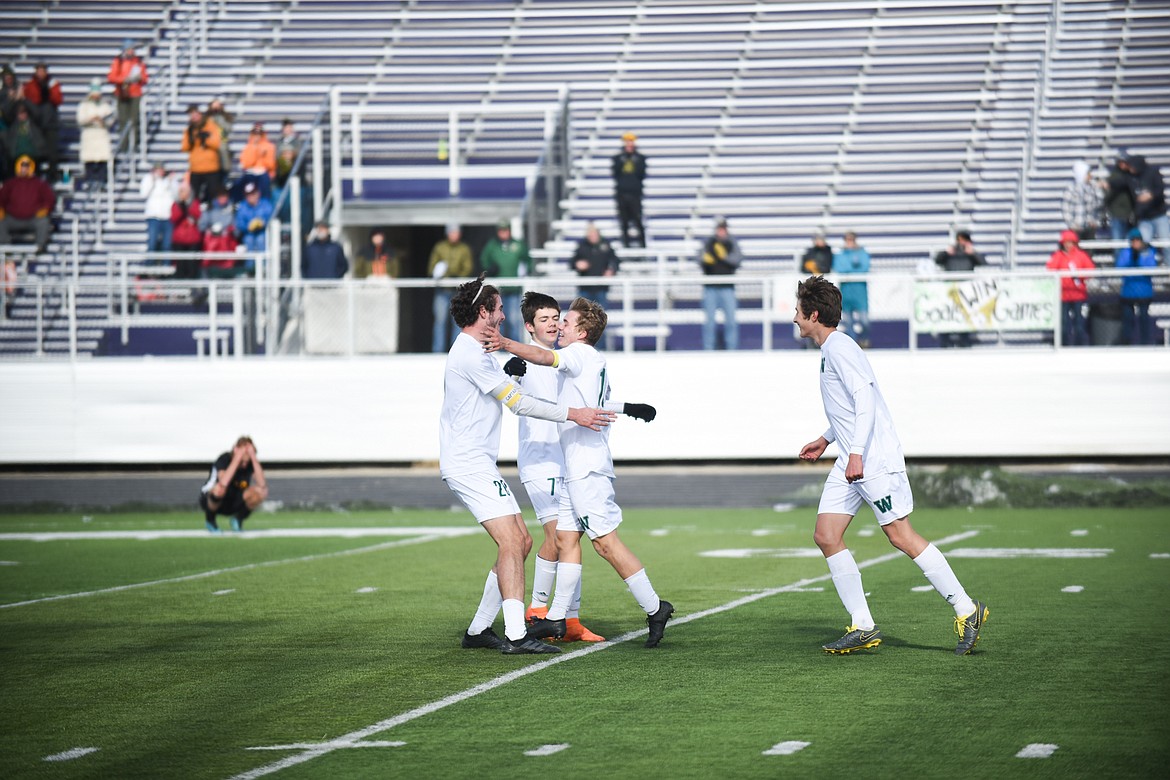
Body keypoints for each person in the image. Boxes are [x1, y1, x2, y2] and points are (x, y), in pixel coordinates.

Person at [794, 275, 988, 655]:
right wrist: (827, 438)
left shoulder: (840, 349)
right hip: (852, 457)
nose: (795, 318)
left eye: (799, 312)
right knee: (826, 535)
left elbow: (865, 400)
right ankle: (863, 625)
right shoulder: (832, 348)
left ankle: (968, 610)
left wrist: (856, 453)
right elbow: (849, 408)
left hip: (872, 460)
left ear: (814, 315)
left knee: (901, 535)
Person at [440, 274, 614, 655]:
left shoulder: (475, 351)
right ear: (483, 311)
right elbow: (518, 402)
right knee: (514, 541)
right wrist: (575, 414)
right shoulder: (470, 353)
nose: (503, 316)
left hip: (476, 461)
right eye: (499, 309)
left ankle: (479, 629)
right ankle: (518, 634)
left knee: (522, 541)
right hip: (468, 463)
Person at [498, 297, 673, 649]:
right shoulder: (592, 359)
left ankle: (655, 607)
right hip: (574, 466)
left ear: (582, 330)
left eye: (566, 321)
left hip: (586, 467)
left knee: (606, 544)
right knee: (565, 540)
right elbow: (595, 403)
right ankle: (557, 618)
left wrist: (503, 343)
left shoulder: (577, 354)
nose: (559, 325)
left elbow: (547, 357)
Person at [503, 292, 605, 643]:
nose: (553, 324)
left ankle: (557, 616)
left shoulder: (564, 358)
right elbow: (514, 401)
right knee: (559, 538)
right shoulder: (525, 361)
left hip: (566, 459)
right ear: (529, 327)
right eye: (544, 319)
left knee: (569, 538)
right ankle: (545, 614)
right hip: (539, 460)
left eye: (556, 317)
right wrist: (512, 374)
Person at [199, 436, 268, 533]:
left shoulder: (249, 464)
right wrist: (237, 458)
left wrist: (253, 457)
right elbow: (223, 482)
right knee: (220, 489)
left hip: (233, 501)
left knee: (261, 492)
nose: (244, 464)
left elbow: (262, 484)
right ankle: (210, 521)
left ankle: (237, 519)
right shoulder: (224, 459)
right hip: (211, 500)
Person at [479, 218, 532, 341]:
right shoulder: (492, 245)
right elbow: (484, 260)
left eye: (505, 230)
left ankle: (514, 346)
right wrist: (490, 269)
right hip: (498, 291)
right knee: (497, 319)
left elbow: (528, 260)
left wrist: (525, 269)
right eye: (501, 230)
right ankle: (498, 344)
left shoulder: (518, 245)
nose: (503, 233)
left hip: (514, 288)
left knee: (513, 319)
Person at [934, 231, 986, 348]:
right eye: (960, 240)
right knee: (947, 317)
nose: (962, 243)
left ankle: (964, 343)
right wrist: (947, 253)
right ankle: (944, 343)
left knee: (965, 318)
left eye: (965, 240)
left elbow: (983, 262)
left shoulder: (970, 254)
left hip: (966, 292)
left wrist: (972, 253)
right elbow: (937, 260)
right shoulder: (950, 253)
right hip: (950, 292)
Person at [698, 216, 741, 350]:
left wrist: (723, 257)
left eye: (723, 228)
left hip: (727, 287)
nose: (721, 231)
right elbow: (699, 258)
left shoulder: (731, 243)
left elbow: (737, 259)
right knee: (709, 322)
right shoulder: (709, 243)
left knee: (731, 321)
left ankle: (732, 349)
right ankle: (708, 349)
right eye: (719, 228)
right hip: (711, 287)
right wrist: (706, 259)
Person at [1046, 230, 1095, 347]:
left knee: (1079, 323)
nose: (1068, 245)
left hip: (1078, 294)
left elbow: (1090, 269)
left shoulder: (1081, 255)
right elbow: (1050, 269)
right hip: (1062, 295)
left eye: (1071, 242)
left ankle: (1079, 345)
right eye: (1066, 242)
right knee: (1063, 323)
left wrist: (1079, 275)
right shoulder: (1058, 256)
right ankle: (1063, 345)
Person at [429, 222, 473, 352]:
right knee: (440, 321)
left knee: (458, 322)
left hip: (457, 292)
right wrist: (442, 274)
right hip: (443, 290)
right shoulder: (440, 247)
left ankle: (456, 350)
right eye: (451, 232)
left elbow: (468, 267)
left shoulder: (464, 248)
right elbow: (432, 267)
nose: (454, 235)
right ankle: (438, 351)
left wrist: (458, 276)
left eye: (456, 232)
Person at [0, 155, 55, 252]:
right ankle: (5, 247)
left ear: (31, 168)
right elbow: (1, 198)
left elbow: (50, 198)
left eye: (27, 166)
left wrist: (46, 209)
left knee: (43, 221)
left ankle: (40, 247)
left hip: (33, 218)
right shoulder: (10, 184)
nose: (24, 169)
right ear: (18, 167)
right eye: (22, 166)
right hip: (13, 218)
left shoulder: (39, 184)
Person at [1115, 229, 1157, 346]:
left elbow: (1151, 268)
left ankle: (1145, 342)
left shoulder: (1148, 252)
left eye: (1137, 240)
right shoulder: (1126, 252)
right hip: (1128, 292)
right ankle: (1127, 342)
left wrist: (1139, 260)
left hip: (1144, 292)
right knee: (1128, 319)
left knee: (1144, 318)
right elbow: (1120, 267)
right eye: (1133, 240)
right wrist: (1131, 261)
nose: (1135, 243)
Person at [21, 62, 62, 181]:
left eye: (43, 70)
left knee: (52, 151)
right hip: (36, 122)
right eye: (38, 70)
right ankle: (36, 173)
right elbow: (29, 100)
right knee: (36, 150)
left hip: (50, 122)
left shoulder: (53, 83)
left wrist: (48, 92)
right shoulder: (30, 85)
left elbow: (58, 99)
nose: (41, 72)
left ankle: (52, 174)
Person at [832, 230, 871, 348]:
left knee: (864, 320)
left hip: (859, 291)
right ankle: (853, 343)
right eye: (847, 240)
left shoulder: (862, 253)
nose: (849, 242)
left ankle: (864, 339)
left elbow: (865, 267)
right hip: (846, 291)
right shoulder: (841, 254)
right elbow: (839, 268)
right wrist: (854, 266)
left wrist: (849, 268)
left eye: (851, 240)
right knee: (848, 321)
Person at [106, 40, 147, 151]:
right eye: (129, 49)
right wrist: (124, 79)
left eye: (132, 49)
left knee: (135, 120)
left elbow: (145, 78)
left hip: (135, 93)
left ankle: (135, 144)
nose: (131, 51)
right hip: (122, 93)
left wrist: (139, 78)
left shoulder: (138, 62)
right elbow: (111, 77)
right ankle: (124, 145)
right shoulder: (118, 62)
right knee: (123, 120)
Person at [571, 221, 619, 310]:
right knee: (584, 314)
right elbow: (572, 262)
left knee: (601, 314)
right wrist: (578, 265)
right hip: (585, 287)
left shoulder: (605, 245)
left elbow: (615, 261)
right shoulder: (582, 246)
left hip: (601, 286)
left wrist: (611, 270)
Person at [76, 79, 113, 192]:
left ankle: (102, 181)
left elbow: (111, 119)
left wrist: (103, 121)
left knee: (102, 159)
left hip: (101, 134)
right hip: (89, 134)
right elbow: (80, 119)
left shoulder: (105, 105)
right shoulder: (84, 105)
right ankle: (89, 181)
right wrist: (91, 119)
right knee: (89, 159)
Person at [611, 131, 647, 248]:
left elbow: (641, 174)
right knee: (624, 222)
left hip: (635, 195)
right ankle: (625, 245)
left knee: (638, 220)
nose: (629, 144)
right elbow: (616, 174)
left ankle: (643, 245)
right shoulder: (618, 158)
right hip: (622, 194)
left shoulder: (640, 158)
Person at [1125, 154, 1169, 250]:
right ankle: (1146, 265)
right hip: (1143, 218)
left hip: (1159, 215)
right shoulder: (1129, 177)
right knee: (1143, 245)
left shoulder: (1153, 173)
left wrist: (1151, 195)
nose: (1130, 169)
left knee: (1167, 244)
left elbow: (1160, 189)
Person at [181, 103, 221, 204]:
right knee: (194, 197)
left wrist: (206, 139)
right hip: (196, 168)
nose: (193, 116)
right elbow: (184, 147)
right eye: (191, 114)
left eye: (195, 113)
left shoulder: (210, 125)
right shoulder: (190, 129)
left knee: (213, 195)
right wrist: (192, 139)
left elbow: (217, 143)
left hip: (211, 168)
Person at [1061, 161, 1105, 242]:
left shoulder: (1093, 187)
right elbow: (1065, 209)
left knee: (1089, 252)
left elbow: (1100, 204)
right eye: (1088, 174)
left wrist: (1096, 221)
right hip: (1077, 228)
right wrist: (1072, 225)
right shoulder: (1071, 189)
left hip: (1090, 227)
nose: (1090, 176)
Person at [139, 161, 176, 256]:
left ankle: (166, 265)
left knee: (167, 244)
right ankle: (149, 267)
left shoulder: (170, 180)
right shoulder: (148, 179)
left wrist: (171, 182)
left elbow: (177, 196)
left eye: (161, 169)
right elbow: (143, 194)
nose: (160, 171)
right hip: (153, 216)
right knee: (152, 243)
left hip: (168, 216)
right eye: (157, 169)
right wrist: (153, 180)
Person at [234, 181, 272, 270]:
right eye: (248, 195)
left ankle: (264, 268)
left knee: (261, 239)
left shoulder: (265, 204)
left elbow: (271, 217)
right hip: (248, 233)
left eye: (253, 194)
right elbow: (239, 222)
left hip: (263, 232)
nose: (251, 197)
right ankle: (250, 269)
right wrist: (248, 226)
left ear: (258, 193)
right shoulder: (243, 206)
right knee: (249, 240)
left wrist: (263, 223)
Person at [169, 182, 203, 282]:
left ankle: (192, 283)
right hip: (179, 238)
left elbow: (198, 216)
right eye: (181, 191)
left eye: (184, 191)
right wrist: (181, 208)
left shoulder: (194, 203)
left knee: (192, 263)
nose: (182, 194)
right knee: (180, 263)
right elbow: (173, 218)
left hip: (193, 238)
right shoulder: (176, 204)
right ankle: (180, 282)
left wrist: (189, 208)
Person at [1104, 151, 1137, 252]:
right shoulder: (1113, 176)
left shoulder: (1133, 176)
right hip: (1117, 214)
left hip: (1130, 215)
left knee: (1131, 244)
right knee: (1118, 243)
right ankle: (1119, 266)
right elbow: (1107, 195)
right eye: (1120, 162)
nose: (1123, 164)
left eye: (1125, 162)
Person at [4, 102, 45, 177]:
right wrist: (13, 100)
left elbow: (37, 113)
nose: (22, 115)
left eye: (24, 112)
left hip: (33, 155)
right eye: (20, 113)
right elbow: (6, 112)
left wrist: (25, 100)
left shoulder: (34, 124)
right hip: (16, 155)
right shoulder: (13, 125)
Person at [237, 122, 275, 201]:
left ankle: (265, 207)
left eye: (259, 133)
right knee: (241, 186)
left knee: (264, 189)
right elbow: (245, 164)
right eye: (254, 133)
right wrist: (255, 151)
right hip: (250, 174)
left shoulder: (269, 146)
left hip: (264, 173)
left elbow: (271, 165)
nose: (257, 136)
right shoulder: (247, 147)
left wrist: (263, 156)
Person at [204, 97, 234, 184]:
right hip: (210, 148)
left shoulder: (226, 117)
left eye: (218, 105)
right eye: (214, 105)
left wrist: (219, 120)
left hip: (222, 146)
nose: (216, 108)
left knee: (223, 174)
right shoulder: (206, 118)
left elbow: (228, 129)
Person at [274, 118, 302, 190]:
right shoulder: (279, 142)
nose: (288, 129)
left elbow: (298, 153)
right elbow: (277, 155)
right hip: (282, 169)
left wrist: (290, 154)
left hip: (293, 167)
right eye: (286, 127)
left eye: (290, 127)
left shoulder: (297, 141)